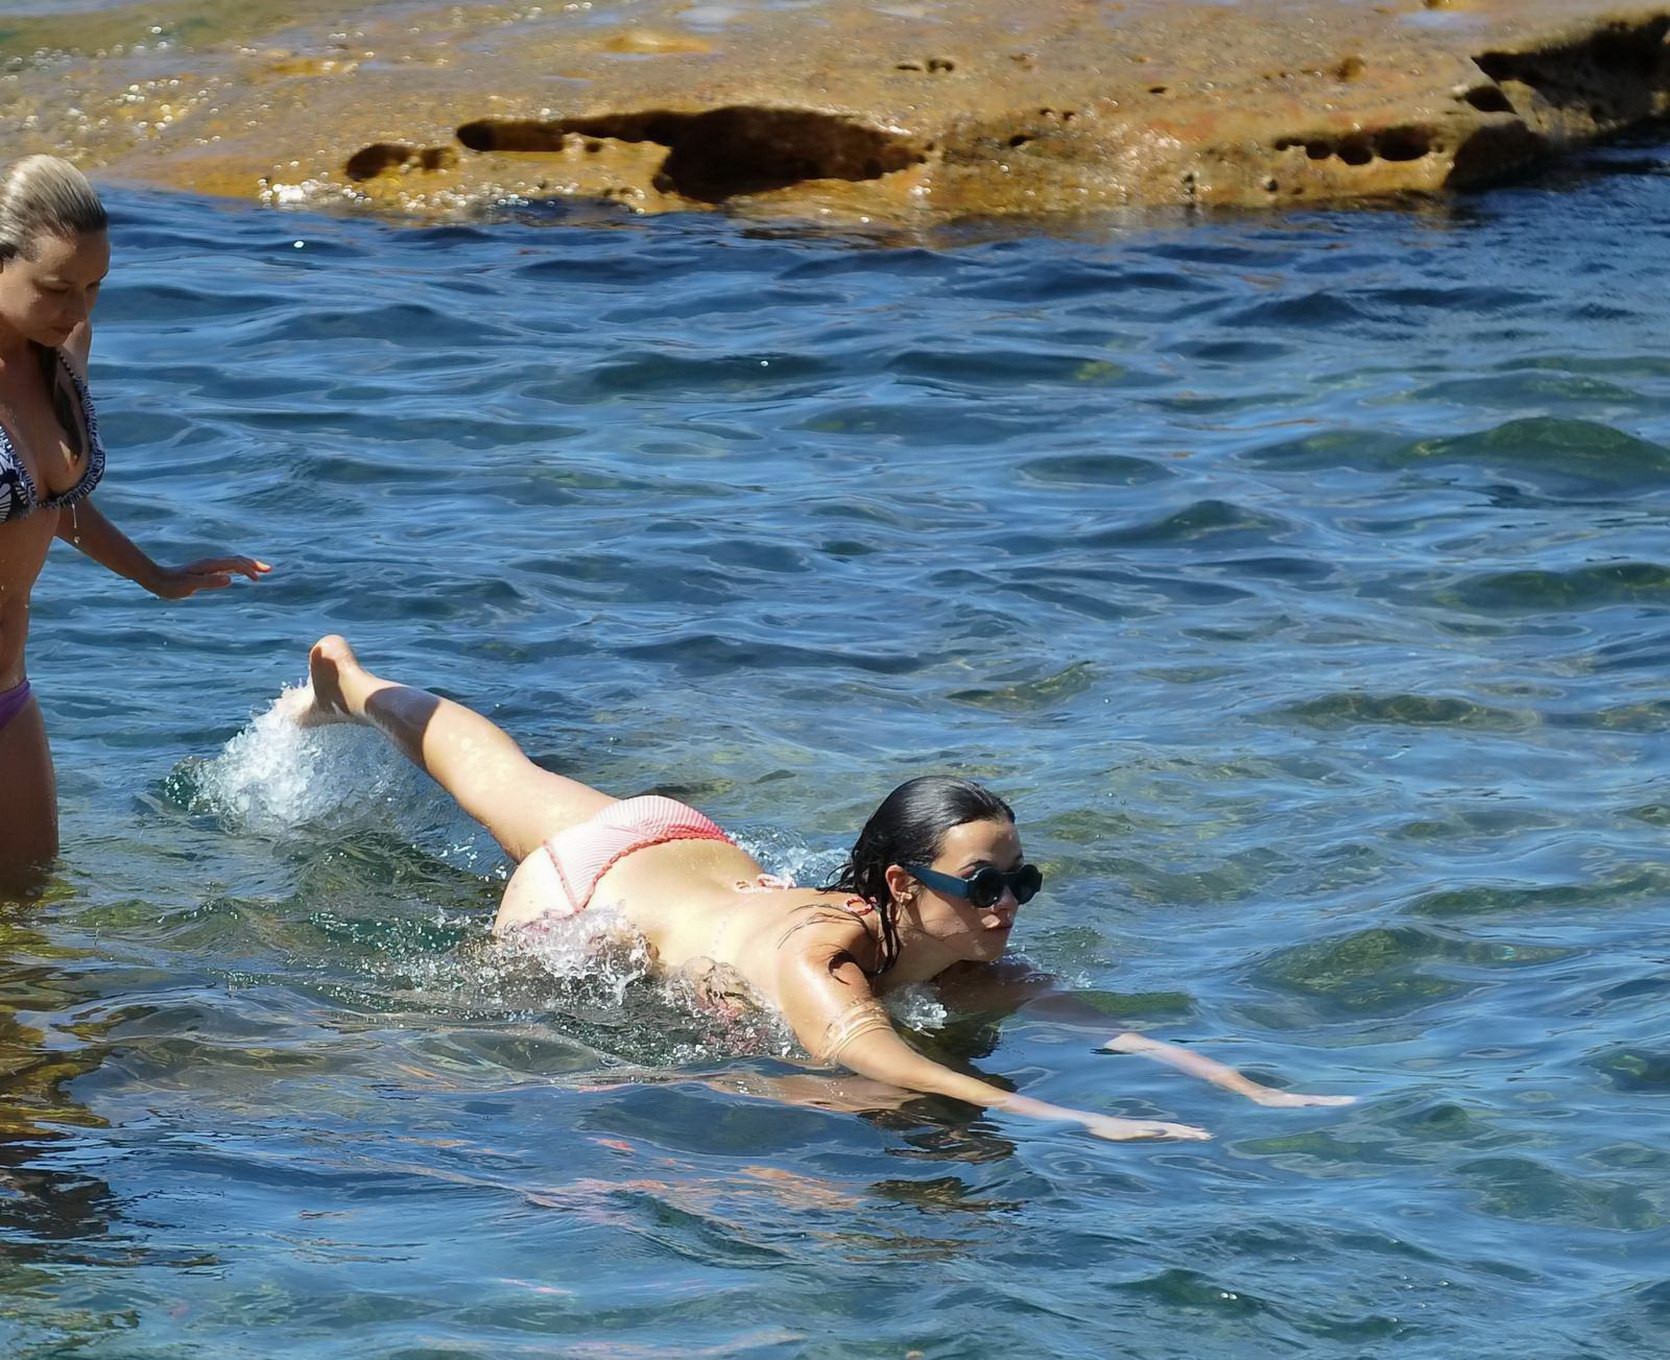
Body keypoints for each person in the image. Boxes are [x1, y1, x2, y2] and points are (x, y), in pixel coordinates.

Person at [297, 634, 1354, 1142]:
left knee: (501, 774)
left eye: (1020, 880)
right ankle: (348, 686)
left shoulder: (966, 953)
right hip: (587, 902)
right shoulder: (821, 959)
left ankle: (348, 680)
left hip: (680, 840)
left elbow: (1104, 1026)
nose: (1007, 905)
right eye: (982, 882)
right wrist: (1080, 1122)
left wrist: (1239, 1085)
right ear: (900, 882)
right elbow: (865, 1050)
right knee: (487, 980)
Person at [0, 155, 269, 885]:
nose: (77, 312)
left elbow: (48, 507)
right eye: (56, 289)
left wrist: (153, 575)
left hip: (8, 693)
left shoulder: (60, 357)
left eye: (93, 288)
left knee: (30, 909)